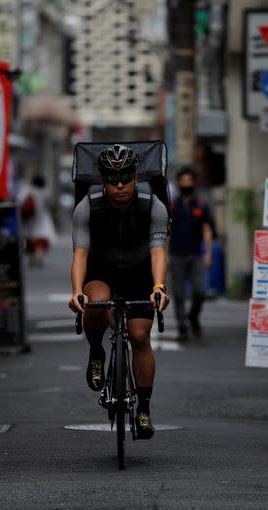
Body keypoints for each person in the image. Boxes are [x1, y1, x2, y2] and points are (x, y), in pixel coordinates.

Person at [68, 144, 170, 439]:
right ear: (102, 181)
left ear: (136, 177)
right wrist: (77, 291)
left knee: (139, 336)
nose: (120, 184)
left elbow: (158, 252)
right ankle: (97, 351)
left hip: (139, 270)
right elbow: (79, 255)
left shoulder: (153, 205)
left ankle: (144, 409)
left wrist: (159, 287)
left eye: (126, 176)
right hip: (101, 270)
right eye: (113, 178)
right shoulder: (87, 206)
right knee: (96, 302)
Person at [169, 166, 214, 341]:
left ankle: (193, 317)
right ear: (179, 183)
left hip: (196, 255)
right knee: (179, 295)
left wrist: (208, 253)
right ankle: (182, 327)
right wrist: (163, 255)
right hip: (176, 255)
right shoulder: (173, 205)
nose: (186, 184)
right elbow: (168, 231)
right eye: (183, 181)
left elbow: (207, 229)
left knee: (200, 291)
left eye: (189, 181)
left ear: (194, 183)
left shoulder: (201, 204)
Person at [18, 175, 57, 268]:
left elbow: (20, 200)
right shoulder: (46, 191)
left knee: (29, 239)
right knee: (40, 240)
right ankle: (39, 255)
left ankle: (31, 258)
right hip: (43, 218)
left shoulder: (28, 190)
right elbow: (50, 204)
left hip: (30, 219)